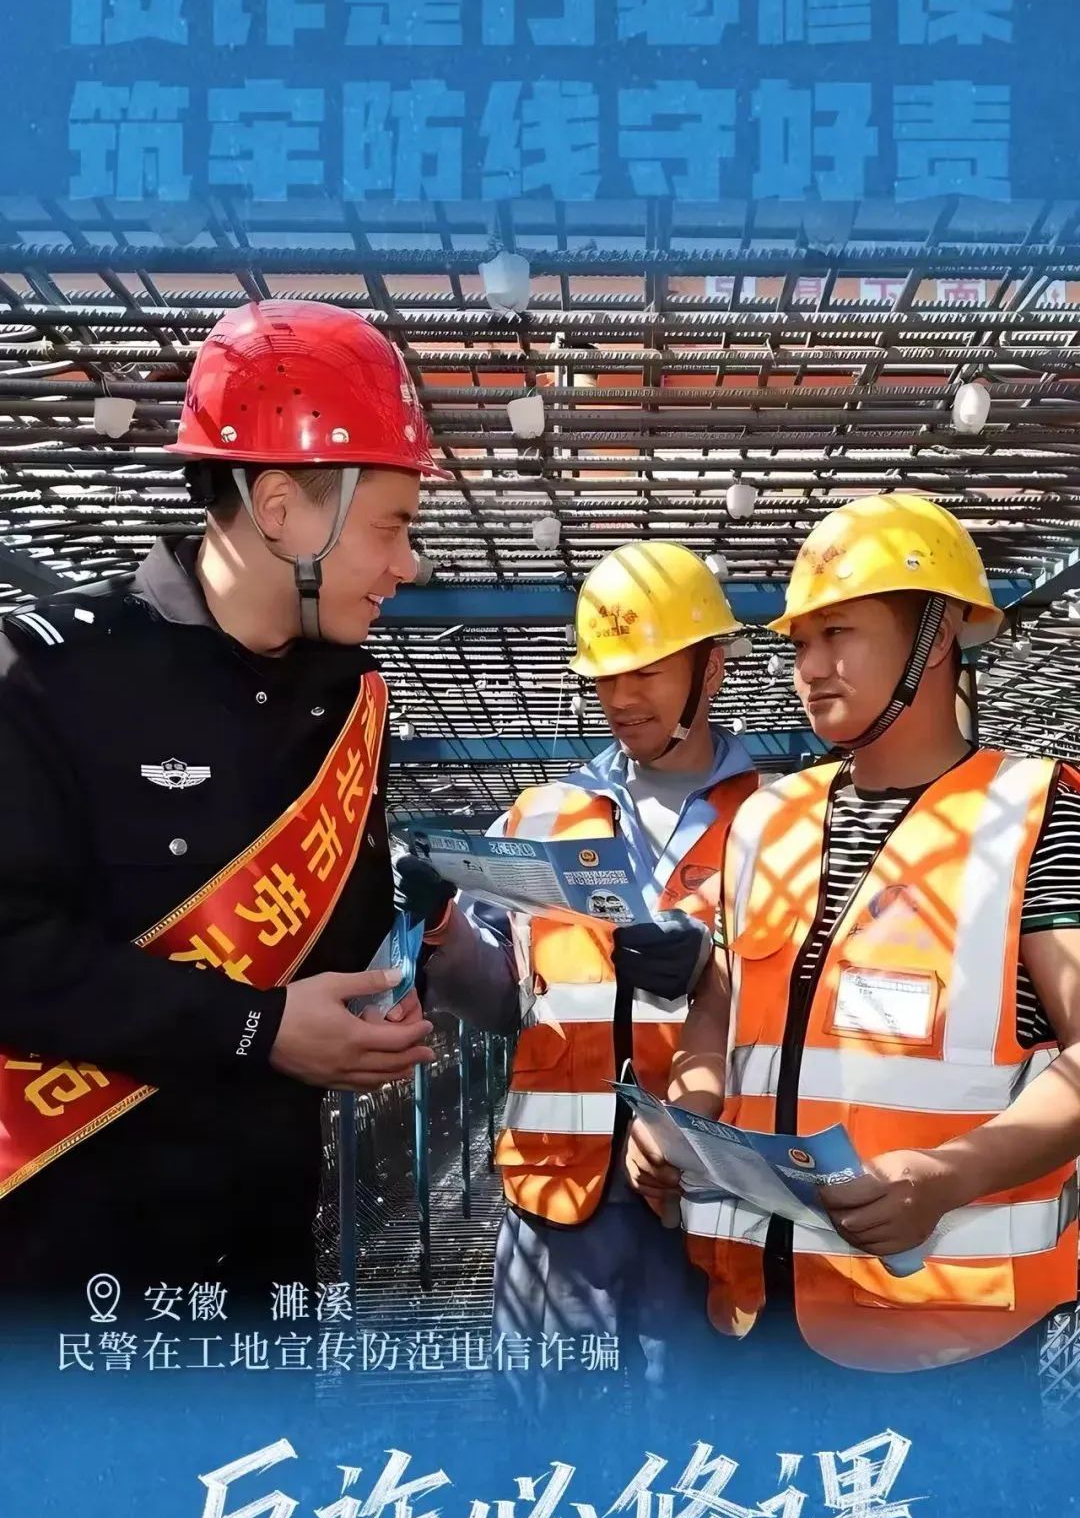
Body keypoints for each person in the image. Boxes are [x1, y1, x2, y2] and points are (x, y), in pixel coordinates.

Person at [0, 300, 439, 1308]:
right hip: (67, 1271)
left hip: (262, 1259)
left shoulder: (347, 703)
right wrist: (256, 1026)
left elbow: (335, 939)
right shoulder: (47, 676)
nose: (407, 564)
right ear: (282, 509)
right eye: (391, 526)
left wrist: (380, 998)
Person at [626, 494, 1080, 1383]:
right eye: (801, 642)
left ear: (936, 635)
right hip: (752, 1319)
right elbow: (718, 1015)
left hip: (944, 1339)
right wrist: (685, 1118)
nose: (811, 668)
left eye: (839, 634)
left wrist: (947, 1177)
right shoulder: (768, 823)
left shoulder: (1031, 816)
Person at [398, 541, 759, 1385]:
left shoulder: (777, 823)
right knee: (552, 1432)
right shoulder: (543, 816)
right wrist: (444, 927)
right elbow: (502, 1001)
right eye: (604, 677)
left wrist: (712, 967)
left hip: (706, 1194)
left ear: (711, 669)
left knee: (695, 1431)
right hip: (556, 1200)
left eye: (646, 673)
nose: (620, 699)